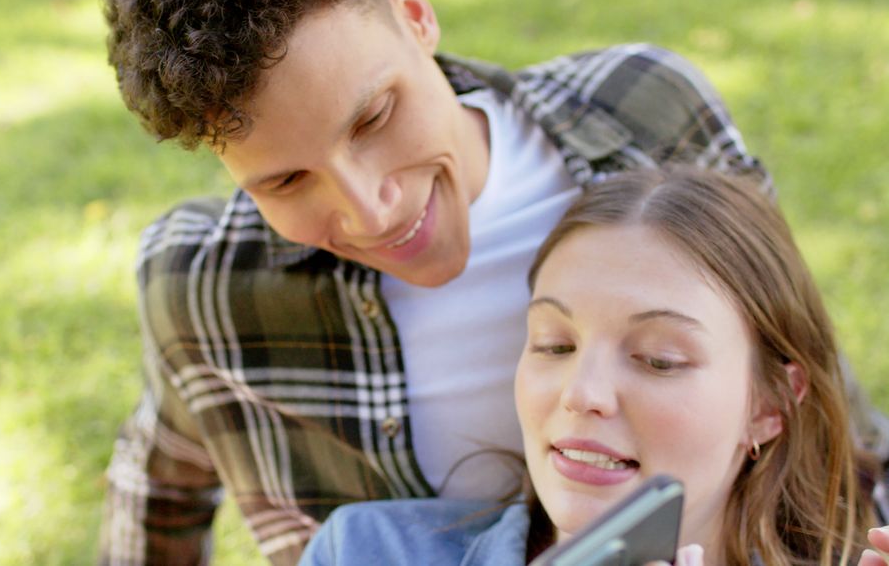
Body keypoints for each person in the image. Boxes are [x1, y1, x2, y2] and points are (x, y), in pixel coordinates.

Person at [97, 0, 889, 564]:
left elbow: (816, 404)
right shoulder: (206, 287)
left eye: (372, 118)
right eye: (286, 181)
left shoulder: (647, 114)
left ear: (414, 14)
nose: (372, 208)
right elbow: (156, 490)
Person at [297, 167, 882, 566]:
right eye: (554, 345)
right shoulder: (367, 551)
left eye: (659, 360)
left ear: (769, 406)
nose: (583, 393)